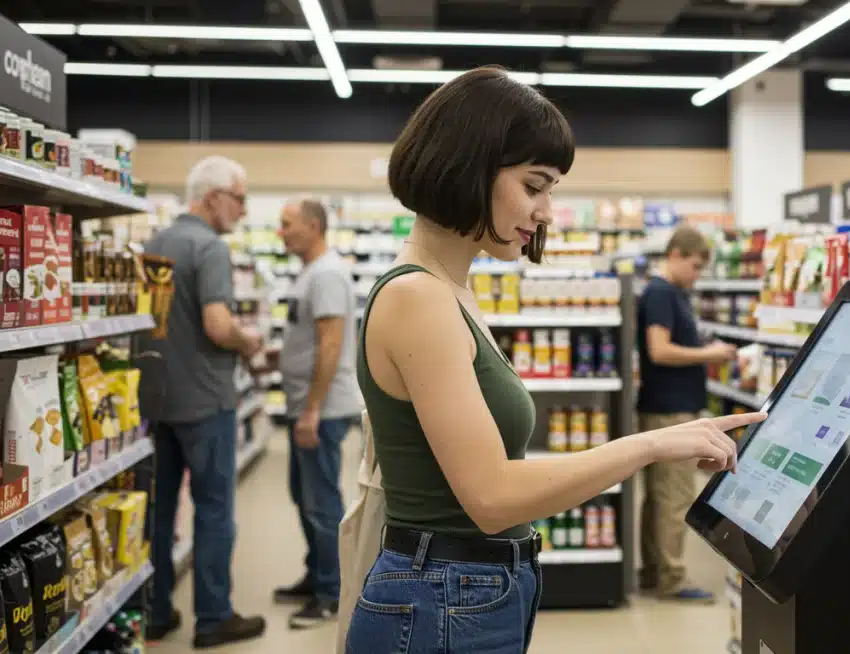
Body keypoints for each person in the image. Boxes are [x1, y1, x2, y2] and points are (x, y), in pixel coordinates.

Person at [344, 65, 764, 654]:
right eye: (534, 185)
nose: (545, 212)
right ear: (469, 167)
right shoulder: (419, 298)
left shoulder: (452, 290)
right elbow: (492, 497)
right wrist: (649, 445)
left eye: (551, 191)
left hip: (463, 591)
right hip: (442, 598)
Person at [142, 156, 267, 648]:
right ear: (212, 195)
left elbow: (154, 323)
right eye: (239, 198)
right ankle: (214, 617)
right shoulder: (209, 247)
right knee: (214, 508)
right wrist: (248, 340)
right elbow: (218, 326)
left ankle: (155, 610)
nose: (242, 209)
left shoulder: (156, 244)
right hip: (206, 400)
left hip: (158, 397)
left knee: (160, 508)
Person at [636, 225, 737, 603]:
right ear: (675, 254)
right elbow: (660, 350)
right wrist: (711, 354)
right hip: (669, 411)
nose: (697, 275)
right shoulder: (661, 292)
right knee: (675, 498)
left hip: (667, 407)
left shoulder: (669, 292)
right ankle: (672, 580)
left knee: (660, 497)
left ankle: (653, 570)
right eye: (694, 266)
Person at [273, 199, 359, 628]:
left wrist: (312, 409)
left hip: (320, 410)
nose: (280, 232)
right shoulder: (312, 271)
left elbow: (330, 343)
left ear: (312, 225)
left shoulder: (326, 273)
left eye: (286, 224)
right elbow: (311, 340)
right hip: (307, 405)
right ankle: (316, 574)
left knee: (321, 501)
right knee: (303, 495)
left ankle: (330, 591)